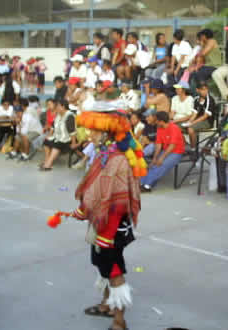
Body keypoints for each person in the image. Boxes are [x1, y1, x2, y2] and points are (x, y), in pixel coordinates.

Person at [71, 111, 144, 330]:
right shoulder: (104, 154)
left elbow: (118, 202)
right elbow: (96, 189)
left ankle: (119, 322)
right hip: (99, 222)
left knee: (114, 270)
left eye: (94, 130)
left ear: (107, 134)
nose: (89, 133)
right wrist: (84, 209)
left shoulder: (118, 160)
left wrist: (107, 234)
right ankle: (106, 305)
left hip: (111, 228)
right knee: (100, 265)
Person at [140, 111, 185, 192]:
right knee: (153, 164)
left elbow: (172, 146)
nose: (155, 122)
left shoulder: (174, 128)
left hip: (176, 152)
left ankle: (147, 186)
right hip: (166, 150)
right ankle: (142, 183)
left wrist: (161, 158)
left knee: (161, 164)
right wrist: (155, 157)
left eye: (156, 120)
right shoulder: (159, 128)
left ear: (161, 121)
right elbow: (158, 144)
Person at [41, 100, 77, 171]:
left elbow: (72, 131)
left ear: (63, 107)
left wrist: (73, 143)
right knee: (46, 142)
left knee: (57, 144)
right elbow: (53, 127)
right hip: (57, 137)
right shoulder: (58, 115)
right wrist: (49, 136)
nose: (56, 108)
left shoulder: (69, 116)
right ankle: (47, 160)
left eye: (58, 106)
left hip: (67, 139)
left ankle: (48, 164)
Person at [181, 81, 216, 148]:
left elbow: (205, 116)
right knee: (178, 127)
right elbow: (194, 113)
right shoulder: (196, 99)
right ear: (197, 90)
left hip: (207, 122)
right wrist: (189, 122)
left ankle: (193, 148)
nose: (205, 91)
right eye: (202, 89)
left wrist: (192, 123)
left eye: (206, 89)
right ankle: (184, 146)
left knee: (190, 129)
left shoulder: (210, 100)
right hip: (198, 120)